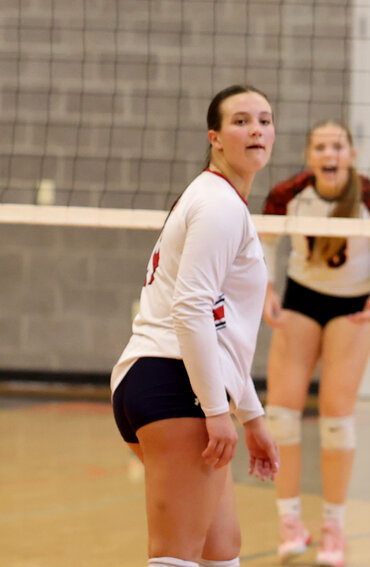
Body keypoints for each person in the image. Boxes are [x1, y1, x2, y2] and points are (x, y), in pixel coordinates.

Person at [111, 84, 281, 567]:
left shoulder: (218, 200)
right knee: (177, 557)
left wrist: (252, 415)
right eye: (241, 120)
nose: (256, 129)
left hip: (157, 379)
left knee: (221, 549)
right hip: (174, 382)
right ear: (215, 138)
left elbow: (219, 326)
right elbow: (190, 309)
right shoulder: (219, 205)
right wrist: (215, 409)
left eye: (265, 120)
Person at [260, 120, 370, 566]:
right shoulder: (288, 194)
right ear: (310, 156)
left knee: (337, 420)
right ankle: (290, 524)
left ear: (351, 154)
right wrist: (267, 288)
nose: (329, 154)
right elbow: (263, 239)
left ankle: (333, 528)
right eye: (320, 146)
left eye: (337, 146)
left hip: (354, 305)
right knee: (281, 416)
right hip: (302, 298)